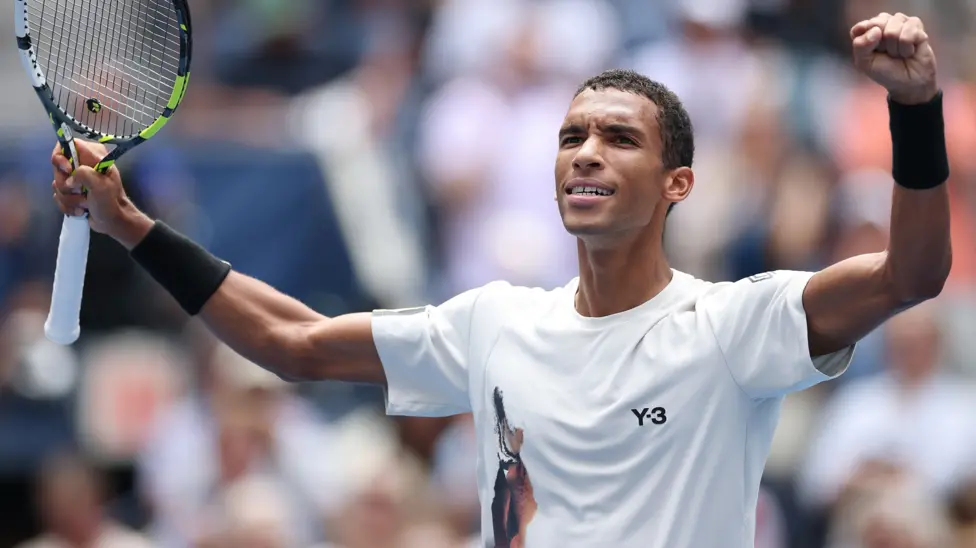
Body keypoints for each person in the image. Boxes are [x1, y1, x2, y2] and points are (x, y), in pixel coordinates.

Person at [51, 12, 951, 548]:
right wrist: (132, 226)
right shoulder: (491, 322)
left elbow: (913, 272)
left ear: (679, 183)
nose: (586, 153)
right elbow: (291, 343)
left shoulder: (732, 325)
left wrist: (914, 113)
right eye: (571, 137)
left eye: (619, 138)